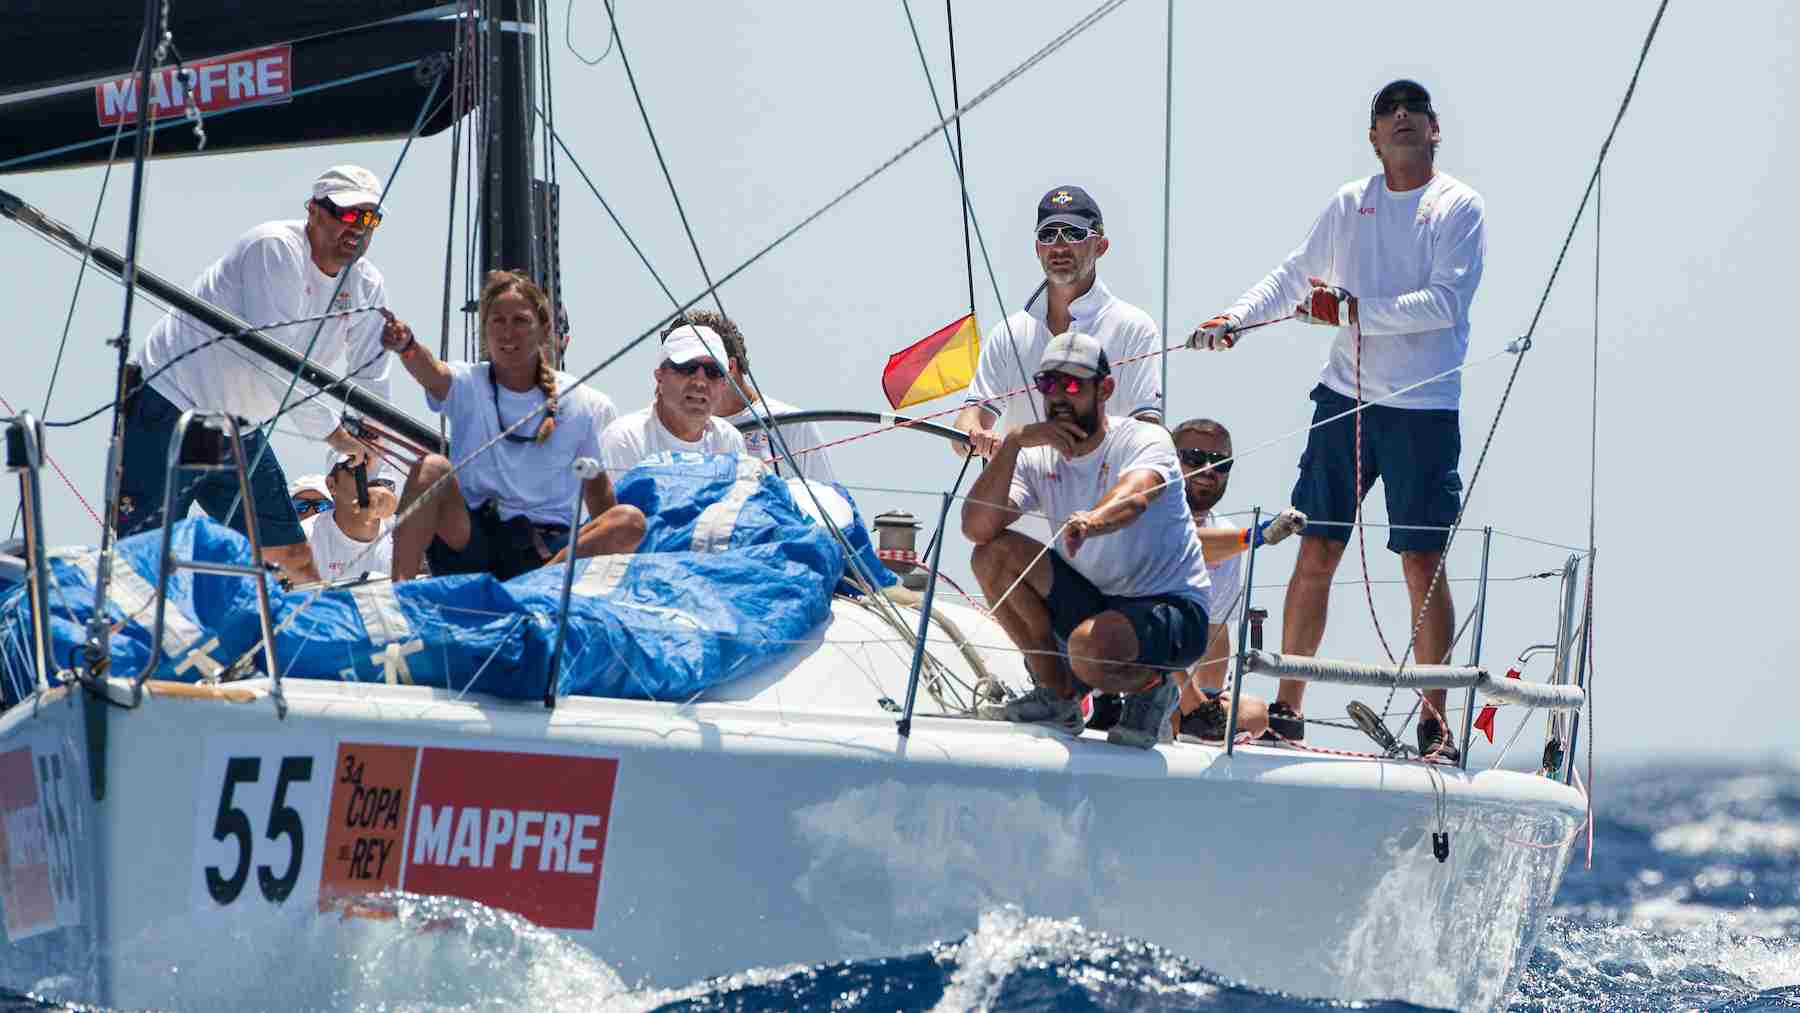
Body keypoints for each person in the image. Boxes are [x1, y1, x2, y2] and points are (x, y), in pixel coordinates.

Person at [1186, 79, 1485, 761]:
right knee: (1315, 547)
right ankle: (1290, 708)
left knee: (1421, 563)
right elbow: (1297, 276)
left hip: (1422, 407)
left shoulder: (1458, 207)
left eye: (1415, 109)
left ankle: (1434, 718)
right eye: (1388, 110)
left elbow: (1445, 302)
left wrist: (1351, 311)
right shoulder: (1352, 205)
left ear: (1435, 130)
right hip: (1343, 398)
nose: (1401, 115)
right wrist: (1236, 319)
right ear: (1373, 136)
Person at [119, 165, 395, 583]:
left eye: (370, 219)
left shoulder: (367, 284)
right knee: (147, 565)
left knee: (293, 558)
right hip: (169, 411)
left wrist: (371, 469)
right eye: (347, 215)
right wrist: (336, 434)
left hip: (238, 430)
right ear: (314, 212)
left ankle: (310, 645)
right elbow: (274, 362)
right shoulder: (275, 248)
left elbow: (372, 382)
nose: (358, 228)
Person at [962, 333, 1211, 749]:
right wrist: (1013, 443)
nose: (1059, 396)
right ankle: (1057, 695)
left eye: (1073, 385)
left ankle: (1155, 687)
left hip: (1170, 610)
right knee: (991, 556)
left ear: (1105, 389)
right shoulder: (1036, 454)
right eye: (1049, 384)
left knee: (1088, 648)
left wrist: (1094, 520)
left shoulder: (1144, 438)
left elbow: (1137, 493)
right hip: (1096, 602)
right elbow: (977, 527)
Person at [382, 270, 645, 582]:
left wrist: (606, 548)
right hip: (474, 542)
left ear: (544, 329)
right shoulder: (468, 383)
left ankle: (535, 585)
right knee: (432, 467)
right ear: (485, 330)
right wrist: (407, 345)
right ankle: (397, 596)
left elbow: (596, 486)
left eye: (520, 321)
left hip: (547, 553)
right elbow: (431, 372)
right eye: (498, 321)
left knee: (629, 521)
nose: (508, 333)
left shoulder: (576, 399)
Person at [954, 186, 1164, 459]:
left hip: (1105, 499)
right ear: (1037, 248)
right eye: (1048, 235)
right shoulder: (1010, 332)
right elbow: (967, 424)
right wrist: (973, 436)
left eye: (1074, 234)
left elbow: (1148, 434)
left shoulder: (1133, 327)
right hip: (1020, 499)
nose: (1059, 246)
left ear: (1101, 245)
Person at [1166, 418, 1305, 743]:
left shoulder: (1228, 536)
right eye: (1195, 458)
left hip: (1190, 693)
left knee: (1255, 713)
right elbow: (1184, 542)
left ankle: (1192, 720)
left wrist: (1209, 703)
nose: (1208, 469)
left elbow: (1215, 635)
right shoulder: (1148, 513)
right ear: (1169, 462)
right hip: (1133, 670)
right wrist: (1255, 536)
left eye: (1221, 463)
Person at [666, 310, 839, 484]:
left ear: (730, 367)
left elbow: (828, 501)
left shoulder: (794, 426)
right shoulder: (669, 430)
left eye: (688, 367)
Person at [600, 324, 747, 474]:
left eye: (713, 371)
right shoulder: (624, 440)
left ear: (724, 384)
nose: (700, 382)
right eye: (687, 368)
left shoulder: (730, 441)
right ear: (659, 377)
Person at [304, 454, 398, 583]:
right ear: (331, 484)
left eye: (383, 483)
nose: (372, 486)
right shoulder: (302, 539)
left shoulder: (408, 537)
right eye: (357, 469)